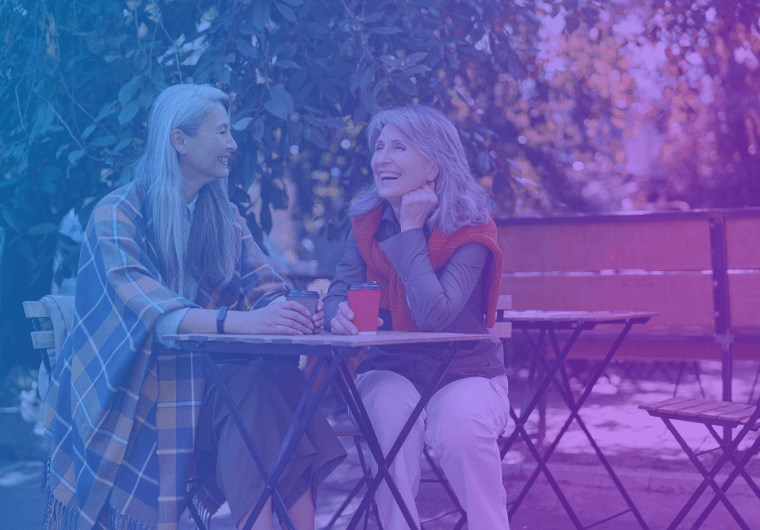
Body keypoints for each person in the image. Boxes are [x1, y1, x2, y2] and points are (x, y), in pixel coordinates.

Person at [42, 84, 346, 530]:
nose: (232, 144)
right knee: (254, 394)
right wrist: (244, 322)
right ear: (180, 141)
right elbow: (153, 313)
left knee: (267, 387)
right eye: (221, 132)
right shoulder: (117, 214)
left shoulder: (223, 218)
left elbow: (265, 289)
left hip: (200, 389)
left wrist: (296, 310)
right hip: (130, 399)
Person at [324, 105, 510, 530]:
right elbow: (340, 290)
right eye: (379, 146)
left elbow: (434, 315)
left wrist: (411, 231)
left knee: (461, 427)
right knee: (387, 414)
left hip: (467, 372)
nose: (381, 158)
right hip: (390, 369)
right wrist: (337, 315)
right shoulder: (366, 223)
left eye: (398, 147)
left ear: (432, 166)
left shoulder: (471, 226)